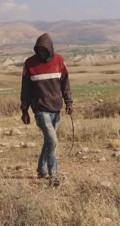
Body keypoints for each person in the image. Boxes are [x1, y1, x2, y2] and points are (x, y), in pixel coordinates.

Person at [20, 33, 73, 187]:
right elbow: (26, 89)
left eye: (45, 49)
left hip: (56, 108)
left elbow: (65, 84)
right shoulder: (29, 64)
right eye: (39, 49)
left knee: (49, 141)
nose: (42, 52)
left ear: (50, 48)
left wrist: (69, 103)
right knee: (53, 140)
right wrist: (24, 110)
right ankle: (54, 175)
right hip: (40, 109)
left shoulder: (59, 60)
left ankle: (41, 169)